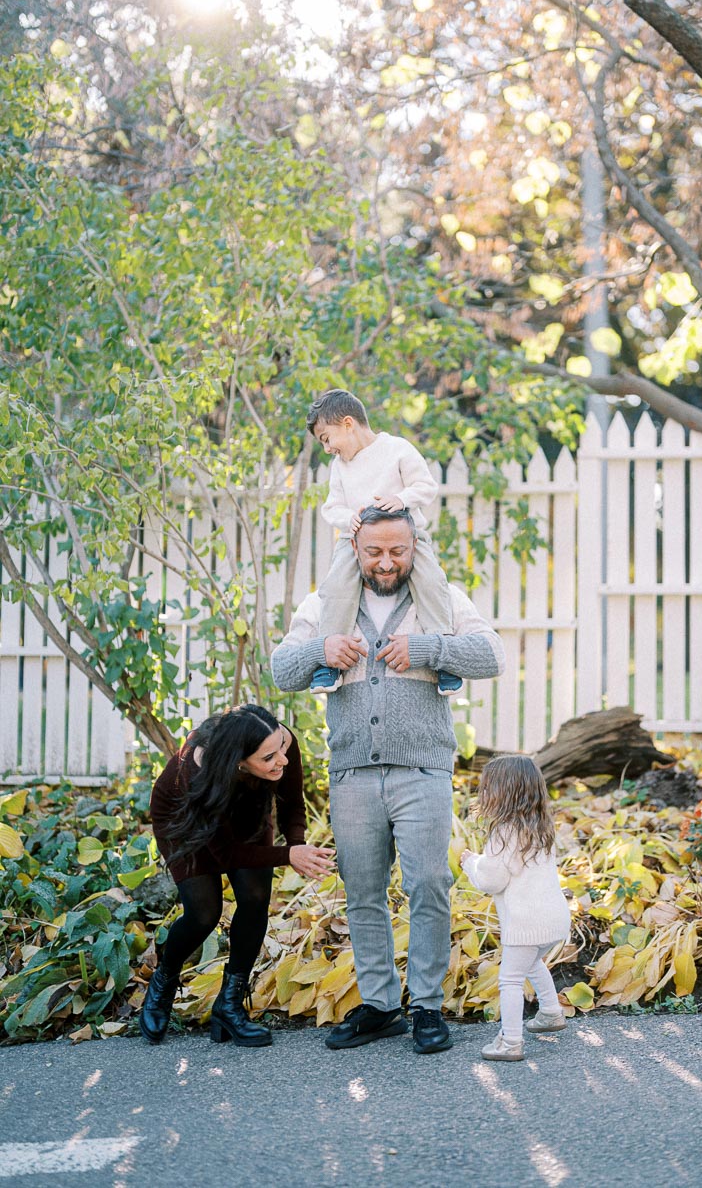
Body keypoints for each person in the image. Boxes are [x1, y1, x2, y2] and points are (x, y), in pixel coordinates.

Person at [271, 505, 505, 1055]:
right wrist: (319, 650)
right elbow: (282, 669)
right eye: (374, 551)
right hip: (353, 773)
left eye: (397, 550)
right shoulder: (325, 605)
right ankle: (380, 1006)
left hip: (422, 770)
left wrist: (427, 647)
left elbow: (492, 653)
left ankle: (425, 1005)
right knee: (363, 892)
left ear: (414, 547)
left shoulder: (439, 600)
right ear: (356, 549)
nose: (385, 562)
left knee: (428, 885)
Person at [142, 703, 334, 1048]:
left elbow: (292, 803)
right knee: (203, 913)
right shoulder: (196, 768)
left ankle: (229, 1005)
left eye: (281, 749)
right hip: (186, 815)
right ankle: (163, 980)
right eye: (269, 757)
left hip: (247, 805)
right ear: (238, 759)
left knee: (256, 897)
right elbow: (229, 855)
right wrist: (288, 855)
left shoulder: (281, 743)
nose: (282, 760)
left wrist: (298, 847)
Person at [306, 388, 462, 699]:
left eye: (326, 438)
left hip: (407, 535)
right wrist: (347, 517)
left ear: (348, 424)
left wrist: (401, 499)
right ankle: (329, 662)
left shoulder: (397, 450)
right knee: (336, 586)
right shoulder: (340, 467)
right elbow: (331, 507)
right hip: (357, 540)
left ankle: (444, 657)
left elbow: (426, 487)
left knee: (431, 582)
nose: (326, 448)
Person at [460, 754, 571, 1062]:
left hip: (525, 923)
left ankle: (510, 1042)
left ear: (503, 793)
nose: (482, 794)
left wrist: (470, 863)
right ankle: (550, 1012)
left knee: (510, 979)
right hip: (553, 921)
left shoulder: (503, 832)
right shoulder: (541, 829)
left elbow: (492, 880)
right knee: (532, 963)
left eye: (486, 788)